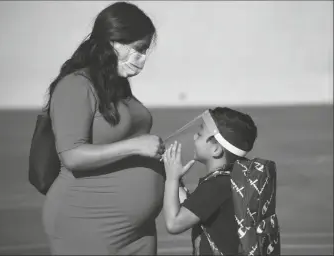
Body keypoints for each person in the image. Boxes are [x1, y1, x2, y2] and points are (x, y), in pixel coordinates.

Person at [42, 2, 166, 255]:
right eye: (138, 49)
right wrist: (136, 145)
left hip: (138, 232)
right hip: (87, 225)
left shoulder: (118, 86)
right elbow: (72, 155)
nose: (142, 58)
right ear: (114, 42)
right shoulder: (76, 85)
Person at [162, 107, 258, 255]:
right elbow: (194, 208)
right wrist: (175, 180)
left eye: (200, 135)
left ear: (216, 150)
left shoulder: (217, 185)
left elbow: (174, 223)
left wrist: (171, 179)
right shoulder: (232, 176)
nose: (194, 137)